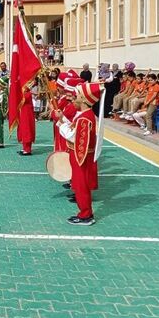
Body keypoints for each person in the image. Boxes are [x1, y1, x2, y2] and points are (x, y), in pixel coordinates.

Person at [57, 82, 102, 226]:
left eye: (75, 96)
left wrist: (60, 122)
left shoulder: (85, 118)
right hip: (79, 155)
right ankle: (85, 212)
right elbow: (73, 128)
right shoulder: (85, 115)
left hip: (80, 157)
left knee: (81, 185)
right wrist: (62, 120)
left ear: (83, 100)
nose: (73, 99)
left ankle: (85, 215)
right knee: (79, 184)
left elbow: (72, 135)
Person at [16, 80, 36, 156]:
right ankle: (24, 148)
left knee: (27, 130)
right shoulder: (25, 93)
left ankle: (27, 149)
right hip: (24, 113)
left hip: (27, 115)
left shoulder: (27, 94)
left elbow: (21, 99)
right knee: (23, 130)